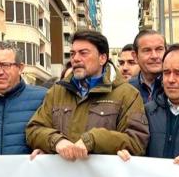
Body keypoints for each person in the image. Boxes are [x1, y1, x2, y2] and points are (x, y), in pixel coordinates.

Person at [26, 30, 149, 159]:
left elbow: (137, 141)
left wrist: (94, 140)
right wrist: (56, 141)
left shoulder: (128, 94)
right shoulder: (57, 91)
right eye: (72, 54)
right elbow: (33, 130)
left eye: (83, 53)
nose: (76, 59)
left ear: (102, 58)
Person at [120, 43, 179, 160]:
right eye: (166, 73)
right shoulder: (147, 111)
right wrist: (127, 153)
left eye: (178, 73)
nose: (170, 80)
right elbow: (137, 147)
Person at [129, 29, 166, 102]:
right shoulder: (127, 89)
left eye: (159, 49)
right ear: (135, 56)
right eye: (147, 50)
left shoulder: (177, 86)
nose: (154, 56)